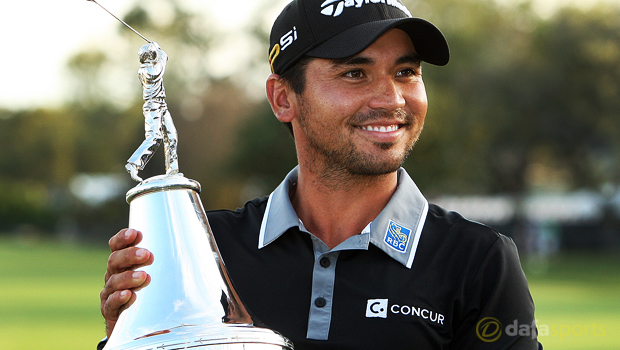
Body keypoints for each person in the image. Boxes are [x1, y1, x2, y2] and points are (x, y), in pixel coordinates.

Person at [99, 0, 542, 349]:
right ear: (282, 99)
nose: (392, 98)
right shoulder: (203, 248)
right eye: (354, 73)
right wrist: (132, 333)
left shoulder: (480, 262)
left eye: (406, 72)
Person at [125, 41, 179, 182]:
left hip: (162, 105)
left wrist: (159, 51)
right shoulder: (146, 70)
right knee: (154, 137)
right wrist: (162, 53)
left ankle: (172, 170)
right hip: (153, 107)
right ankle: (133, 164)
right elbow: (160, 68)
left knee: (171, 135)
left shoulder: (151, 67)